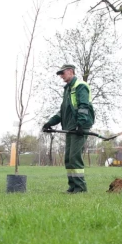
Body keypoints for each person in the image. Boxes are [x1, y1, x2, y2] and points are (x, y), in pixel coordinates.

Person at [42, 64, 94, 193]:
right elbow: (63, 111)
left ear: (70, 71)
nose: (61, 76)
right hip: (71, 127)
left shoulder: (80, 86)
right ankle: (73, 187)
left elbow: (83, 106)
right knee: (68, 158)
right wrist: (50, 123)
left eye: (62, 73)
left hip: (79, 127)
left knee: (74, 157)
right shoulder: (67, 89)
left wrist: (80, 125)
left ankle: (80, 188)